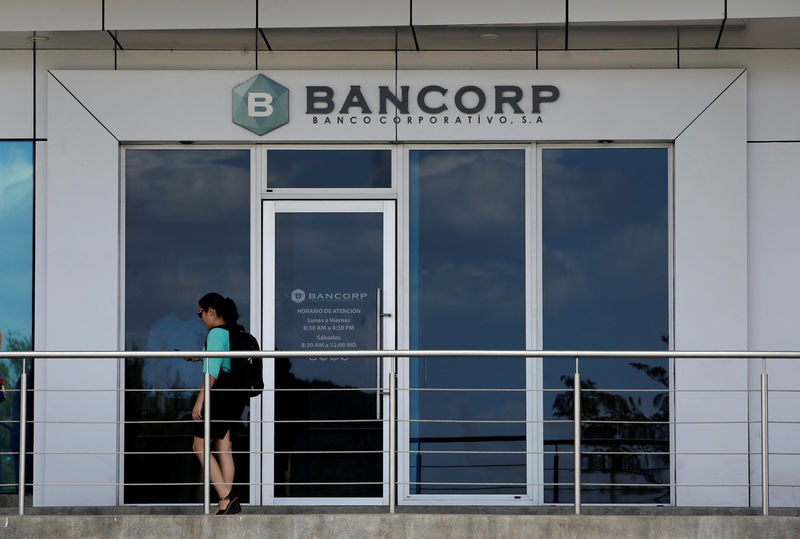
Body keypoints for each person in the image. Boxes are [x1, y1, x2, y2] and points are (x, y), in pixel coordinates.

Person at [190, 292, 244, 515]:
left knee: (199, 446)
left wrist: (200, 401)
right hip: (235, 396)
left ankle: (225, 497)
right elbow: (218, 357)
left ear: (211, 311)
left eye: (200, 313)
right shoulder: (234, 332)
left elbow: (212, 371)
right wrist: (196, 355)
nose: (200, 318)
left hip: (219, 396)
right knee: (225, 449)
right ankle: (226, 504)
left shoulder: (216, 333)